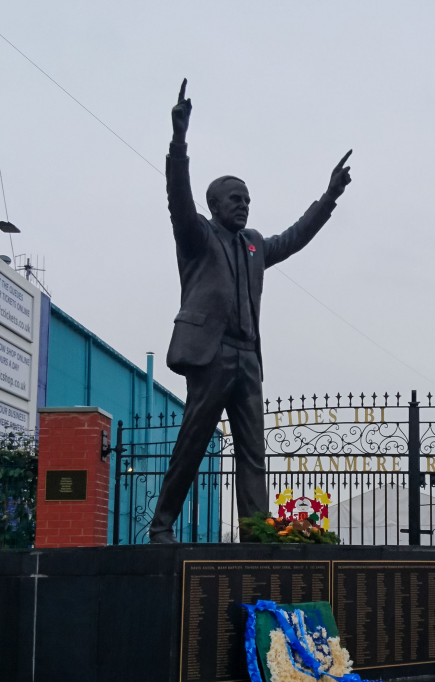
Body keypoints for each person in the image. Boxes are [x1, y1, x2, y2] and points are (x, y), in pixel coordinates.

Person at [149, 80, 352, 543]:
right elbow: (176, 196)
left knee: (253, 453)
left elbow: (295, 236)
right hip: (210, 352)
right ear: (215, 205)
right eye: (235, 198)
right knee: (194, 442)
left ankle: (256, 535)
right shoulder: (197, 236)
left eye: (247, 199)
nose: (244, 204)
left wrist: (329, 197)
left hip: (247, 358)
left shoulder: (255, 244)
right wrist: (178, 141)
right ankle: (161, 525)